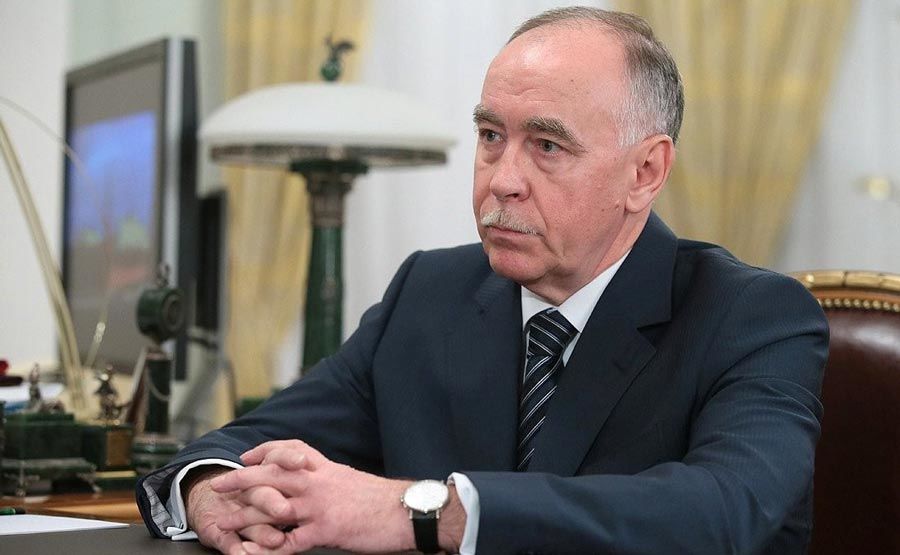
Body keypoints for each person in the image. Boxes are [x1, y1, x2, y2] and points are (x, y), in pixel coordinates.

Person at [136, 7, 828, 555]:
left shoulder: (752, 315)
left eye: (547, 145)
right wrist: (214, 489)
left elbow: (725, 511)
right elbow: (243, 443)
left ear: (645, 172)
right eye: (492, 136)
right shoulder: (429, 293)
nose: (503, 180)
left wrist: (416, 511)